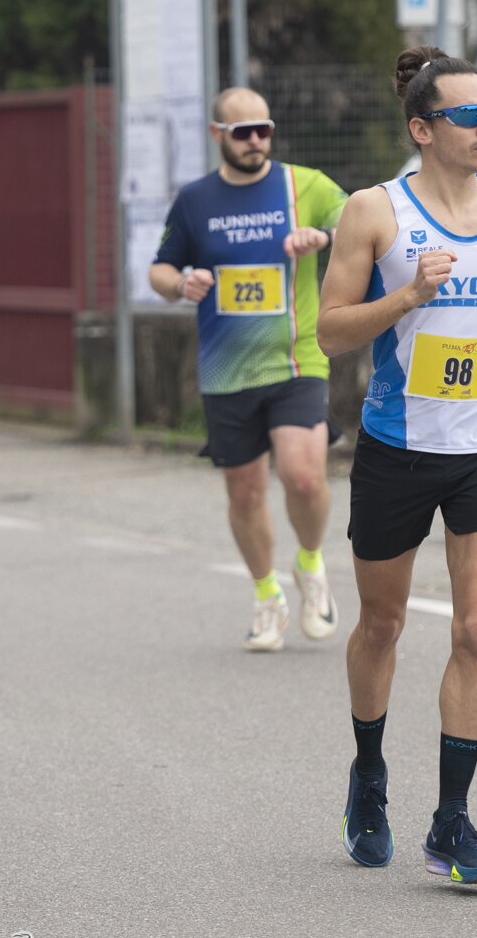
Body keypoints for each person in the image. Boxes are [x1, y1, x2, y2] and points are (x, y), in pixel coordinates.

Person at [316, 46, 477, 885]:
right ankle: (368, 772)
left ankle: (452, 823)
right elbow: (331, 331)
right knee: (382, 626)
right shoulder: (373, 213)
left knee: (476, 628)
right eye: (468, 115)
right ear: (423, 129)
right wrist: (408, 297)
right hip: (397, 447)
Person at [148, 87, 349, 652]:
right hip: (226, 368)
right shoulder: (195, 200)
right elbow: (160, 269)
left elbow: (368, 225)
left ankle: (310, 563)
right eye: (243, 132)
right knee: (244, 494)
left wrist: (324, 237)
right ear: (218, 135)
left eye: (265, 129)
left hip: (296, 358)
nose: (257, 140)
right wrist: (180, 283)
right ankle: (267, 596)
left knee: (304, 476)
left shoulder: (304, 185)